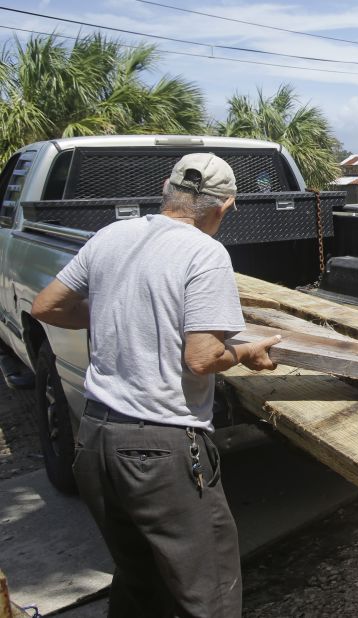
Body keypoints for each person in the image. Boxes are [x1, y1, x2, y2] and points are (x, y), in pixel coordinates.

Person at [31, 153, 283, 618]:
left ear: (166, 189)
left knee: (139, 581)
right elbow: (203, 358)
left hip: (95, 441)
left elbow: (46, 306)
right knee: (208, 596)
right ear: (222, 207)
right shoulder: (205, 253)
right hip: (159, 453)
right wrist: (246, 353)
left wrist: (119, 315)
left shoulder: (110, 236)